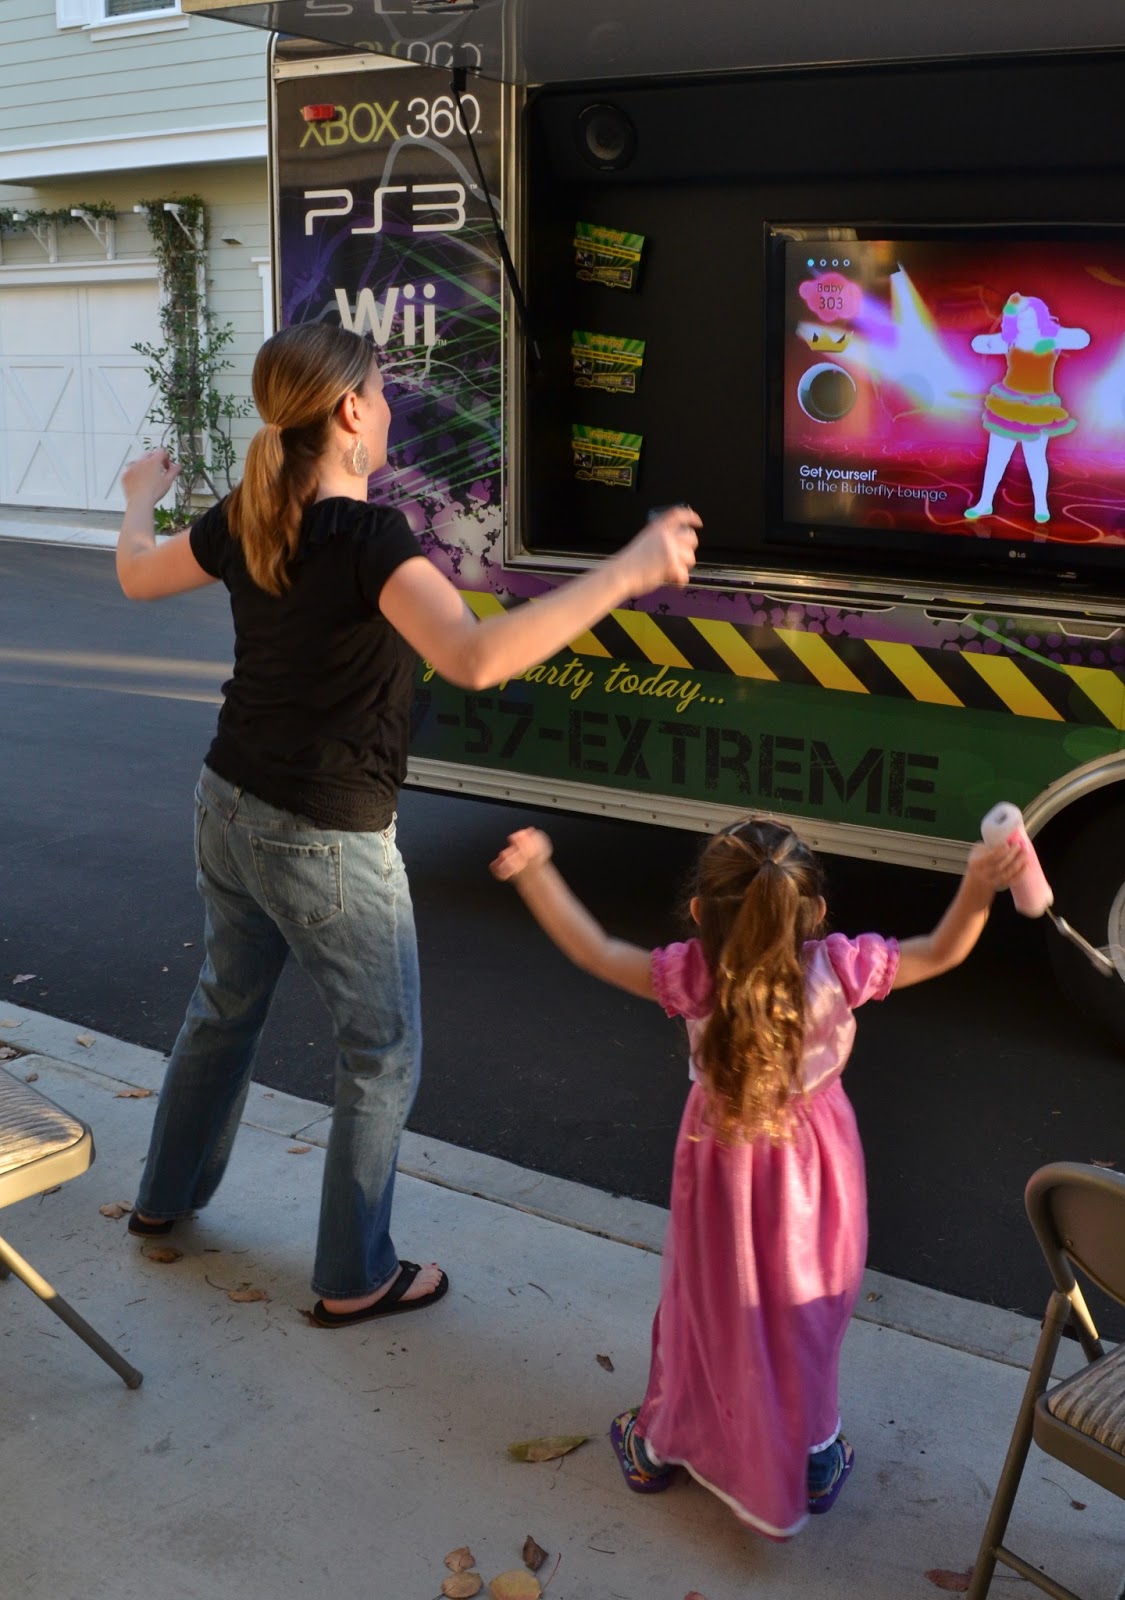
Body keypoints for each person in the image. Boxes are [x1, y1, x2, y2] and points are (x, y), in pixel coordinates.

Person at [115, 321, 699, 1328]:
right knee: (380, 1052)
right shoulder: (367, 536)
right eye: (381, 397)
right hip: (326, 832)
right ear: (348, 413)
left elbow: (134, 574)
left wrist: (137, 498)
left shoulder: (250, 515)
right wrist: (631, 570)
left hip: (227, 803)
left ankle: (163, 1198)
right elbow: (474, 658)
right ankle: (354, 1274)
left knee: (223, 1007)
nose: (387, 413)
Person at [490, 816, 1024, 1537]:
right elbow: (944, 948)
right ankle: (813, 1451)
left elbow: (594, 949)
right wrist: (978, 885)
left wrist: (536, 872)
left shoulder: (692, 974)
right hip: (821, 1175)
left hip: (721, 1169)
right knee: (809, 1311)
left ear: (702, 912)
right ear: (816, 913)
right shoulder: (840, 966)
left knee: (707, 1310)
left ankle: (660, 1443)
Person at [964, 292, 1089, 526]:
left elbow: (1083, 339)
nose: (1027, 323)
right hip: (1008, 405)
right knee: (996, 458)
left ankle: (1041, 505)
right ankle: (985, 502)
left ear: (1040, 318)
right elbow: (977, 343)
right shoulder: (1010, 340)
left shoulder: (1053, 338)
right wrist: (1007, 318)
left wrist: (1053, 339)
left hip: (1038, 408)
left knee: (1036, 459)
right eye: (1022, 319)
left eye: (1031, 318)